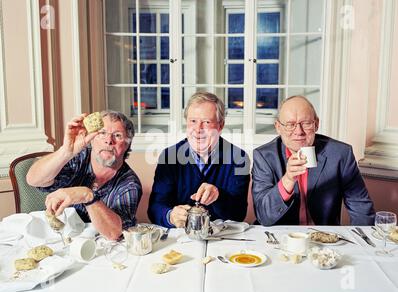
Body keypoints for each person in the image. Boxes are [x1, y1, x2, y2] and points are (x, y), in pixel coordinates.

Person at [252, 95, 375, 226]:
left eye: (306, 123)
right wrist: (287, 180)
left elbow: (361, 209)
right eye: (290, 124)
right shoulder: (264, 157)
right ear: (278, 127)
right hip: (279, 239)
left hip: (323, 239)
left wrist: (362, 242)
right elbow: (263, 217)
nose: (298, 131)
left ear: (316, 124)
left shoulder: (340, 154)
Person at [27, 111, 142, 240]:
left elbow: (114, 233)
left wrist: (87, 196)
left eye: (117, 135)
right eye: (102, 133)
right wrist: (66, 151)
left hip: (100, 248)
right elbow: (33, 179)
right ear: (91, 138)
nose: (108, 141)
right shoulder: (77, 159)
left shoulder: (129, 184)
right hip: (57, 239)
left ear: (127, 144)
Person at [148, 92, 250, 228]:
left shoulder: (239, 158)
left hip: (222, 239)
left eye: (206, 122)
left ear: (220, 126)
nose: (198, 129)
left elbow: (238, 214)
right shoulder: (169, 157)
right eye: (193, 121)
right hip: (180, 237)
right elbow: (154, 208)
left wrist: (219, 196)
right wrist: (170, 216)